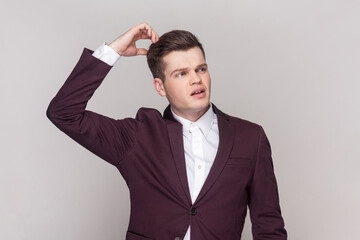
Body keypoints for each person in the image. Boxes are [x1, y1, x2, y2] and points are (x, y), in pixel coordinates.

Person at [47, 23, 287, 240]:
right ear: (160, 86)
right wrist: (114, 51)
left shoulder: (249, 138)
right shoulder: (138, 137)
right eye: (181, 73)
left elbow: (269, 226)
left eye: (201, 69)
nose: (196, 80)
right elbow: (63, 112)